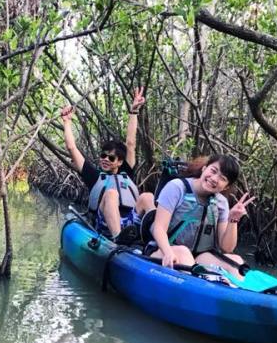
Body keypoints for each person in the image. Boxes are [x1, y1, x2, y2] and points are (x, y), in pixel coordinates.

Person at [60, 88, 155, 240]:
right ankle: (118, 238)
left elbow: (130, 143)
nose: (105, 159)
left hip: (131, 222)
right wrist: (67, 122)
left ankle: (155, 237)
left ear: (120, 162)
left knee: (147, 197)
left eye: (111, 158)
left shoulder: (127, 171)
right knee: (111, 194)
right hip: (105, 224)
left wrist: (134, 112)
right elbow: (72, 148)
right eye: (103, 155)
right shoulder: (94, 176)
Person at [147, 154, 255, 279]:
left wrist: (233, 219)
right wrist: (168, 252)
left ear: (226, 186)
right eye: (213, 171)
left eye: (222, 178)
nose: (214, 179)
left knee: (236, 261)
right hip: (164, 250)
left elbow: (226, 247)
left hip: (200, 256)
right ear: (204, 168)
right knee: (183, 253)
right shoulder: (177, 187)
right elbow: (159, 228)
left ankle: (238, 296)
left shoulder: (221, 203)